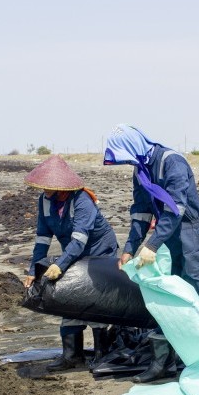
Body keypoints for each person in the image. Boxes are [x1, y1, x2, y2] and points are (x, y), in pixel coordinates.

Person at [104, 124, 199, 383]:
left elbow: (175, 208)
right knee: (174, 298)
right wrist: (130, 248)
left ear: (134, 146)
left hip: (192, 234)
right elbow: (141, 211)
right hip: (170, 237)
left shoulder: (172, 162)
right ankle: (168, 363)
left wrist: (152, 245)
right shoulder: (141, 171)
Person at [22, 155, 118, 370]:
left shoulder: (82, 200)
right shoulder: (45, 201)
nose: (44, 190)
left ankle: (102, 354)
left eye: (48, 186)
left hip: (99, 251)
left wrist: (60, 265)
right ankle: (72, 356)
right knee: (68, 297)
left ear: (60, 185)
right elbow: (42, 238)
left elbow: (80, 239)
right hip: (73, 252)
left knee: (95, 299)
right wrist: (33, 269)